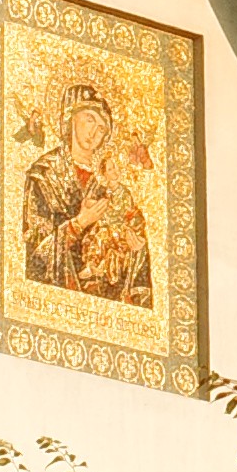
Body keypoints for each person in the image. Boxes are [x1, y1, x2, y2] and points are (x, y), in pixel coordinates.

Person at [21, 79, 154, 306]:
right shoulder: (44, 175)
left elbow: (135, 236)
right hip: (56, 302)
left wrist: (136, 250)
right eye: (90, 119)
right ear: (70, 118)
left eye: (102, 128)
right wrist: (79, 223)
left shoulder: (109, 185)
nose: (94, 132)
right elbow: (35, 258)